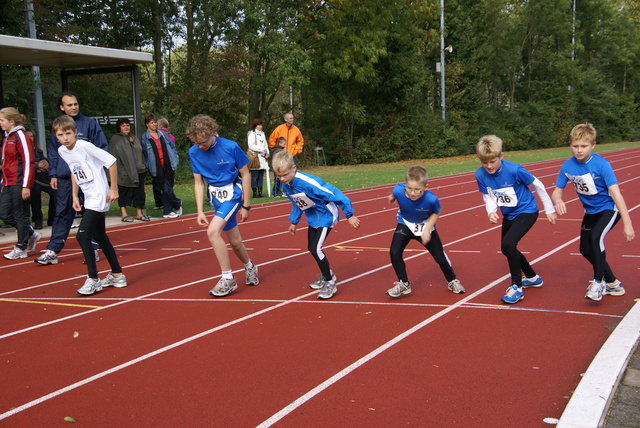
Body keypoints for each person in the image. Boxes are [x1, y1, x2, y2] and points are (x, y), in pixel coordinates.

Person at [551, 123, 635, 301]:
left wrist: (628, 224)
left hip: (609, 209)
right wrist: (558, 200)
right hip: (591, 211)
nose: (579, 150)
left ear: (593, 145)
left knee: (596, 238)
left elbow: (616, 194)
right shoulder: (567, 166)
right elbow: (557, 191)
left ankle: (599, 283)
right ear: (570, 144)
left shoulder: (601, 164)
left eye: (584, 146)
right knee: (585, 249)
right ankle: (613, 284)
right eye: (575, 146)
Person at [474, 134, 556, 304]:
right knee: (506, 248)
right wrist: (491, 211)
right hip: (509, 214)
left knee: (509, 244)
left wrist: (549, 209)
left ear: (501, 156)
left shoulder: (515, 170)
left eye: (492, 162)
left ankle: (516, 287)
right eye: (484, 162)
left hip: (527, 211)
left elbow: (538, 185)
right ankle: (532, 277)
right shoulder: (480, 174)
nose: (488, 166)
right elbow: (487, 195)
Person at [185, 114, 259, 297]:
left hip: (233, 193)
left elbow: (246, 175)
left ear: (212, 133)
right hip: (216, 196)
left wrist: (246, 205)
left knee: (212, 232)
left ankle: (227, 278)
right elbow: (198, 183)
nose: (200, 146)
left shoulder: (230, 146)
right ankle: (250, 267)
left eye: (203, 142)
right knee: (235, 242)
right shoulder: (193, 152)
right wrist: (200, 211)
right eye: (196, 143)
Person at [272, 150, 360, 299]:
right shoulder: (287, 185)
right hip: (313, 216)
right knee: (311, 248)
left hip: (326, 214)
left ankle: (329, 281)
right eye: (278, 176)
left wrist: (349, 215)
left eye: (285, 175)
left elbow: (336, 194)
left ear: (293, 168)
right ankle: (328, 273)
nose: (282, 179)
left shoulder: (309, 183)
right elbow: (298, 202)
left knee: (315, 248)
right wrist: (294, 221)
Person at [53, 115, 126, 295]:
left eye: (68, 133)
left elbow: (111, 162)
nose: (65, 138)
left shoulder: (85, 146)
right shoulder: (63, 151)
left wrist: (114, 189)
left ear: (75, 133)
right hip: (87, 195)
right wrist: (75, 196)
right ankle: (117, 275)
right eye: (61, 135)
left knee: (82, 236)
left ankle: (93, 279)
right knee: (100, 236)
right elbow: (74, 170)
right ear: (56, 136)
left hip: (99, 195)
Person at [36, 91, 109, 265]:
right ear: (62, 107)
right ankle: (53, 250)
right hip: (67, 179)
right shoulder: (58, 127)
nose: (74, 107)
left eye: (75, 104)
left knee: (92, 214)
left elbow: (102, 149)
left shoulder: (89, 124)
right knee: (61, 213)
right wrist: (53, 174)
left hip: (89, 180)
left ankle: (92, 248)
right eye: (69, 105)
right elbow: (54, 153)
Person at [387, 165, 465, 298]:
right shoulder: (399, 189)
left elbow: (436, 213)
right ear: (405, 184)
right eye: (409, 188)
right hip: (405, 223)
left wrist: (427, 230)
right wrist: (392, 197)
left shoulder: (431, 199)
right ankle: (404, 283)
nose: (412, 193)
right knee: (394, 252)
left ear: (426, 187)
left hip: (424, 225)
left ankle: (452, 280)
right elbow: (396, 192)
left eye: (417, 190)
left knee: (440, 257)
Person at [0, 107, 41, 259]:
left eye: (2, 120)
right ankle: (30, 233)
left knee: (20, 214)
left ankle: (21, 247)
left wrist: (26, 186)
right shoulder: (6, 137)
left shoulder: (20, 136)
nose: (0, 123)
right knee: (4, 212)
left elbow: (28, 161)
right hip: (8, 181)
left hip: (19, 180)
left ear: (12, 121)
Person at [141, 114, 182, 219]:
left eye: (155, 122)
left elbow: (172, 147)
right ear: (147, 124)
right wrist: (148, 165)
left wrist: (175, 158)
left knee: (167, 188)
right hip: (156, 167)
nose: (154, 124)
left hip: (168, 164)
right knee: (165, 188)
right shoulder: (145, 138)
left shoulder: (162, 135)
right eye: (152, 122)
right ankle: (177, 203)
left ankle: (167, 211)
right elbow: (145, 154)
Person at [109, 118, 149, 222]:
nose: (126, 127)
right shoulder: (116, 139)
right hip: (124, 171)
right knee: (124, 192)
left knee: (139, 193)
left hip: (139, 170)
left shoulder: (134, 138)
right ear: (119, 128)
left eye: (127, 125)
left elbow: (140, 152)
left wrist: (143, 165)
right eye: (123, 126)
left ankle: (139, 213)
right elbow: (114, 155)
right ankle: (124, 214)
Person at [26, 129, 56, 230]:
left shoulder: (37, 150)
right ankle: (38, 219)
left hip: (43, 174)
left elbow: (43, 158)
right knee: (35, 191)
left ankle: (53, 218)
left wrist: (45, 162)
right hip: (31, 176)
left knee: (55, 190)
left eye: (31, 136)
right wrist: (36, 166)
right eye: (27, 136)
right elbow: (22, 163)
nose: (30, 138)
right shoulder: (22, 150)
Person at [247, 118, 269, 198]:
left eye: (261, 125)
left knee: (260, 176)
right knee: (255, 176)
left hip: (262, 156)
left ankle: (260, 192)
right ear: (255, 126)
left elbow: (265, 144)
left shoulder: (262, 134)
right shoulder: (252, 134)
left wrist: (267, 153)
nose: (260, 126)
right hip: (255, 157)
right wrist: (261, 149)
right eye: (259, 125)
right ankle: (254, 192)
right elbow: (251, 145)